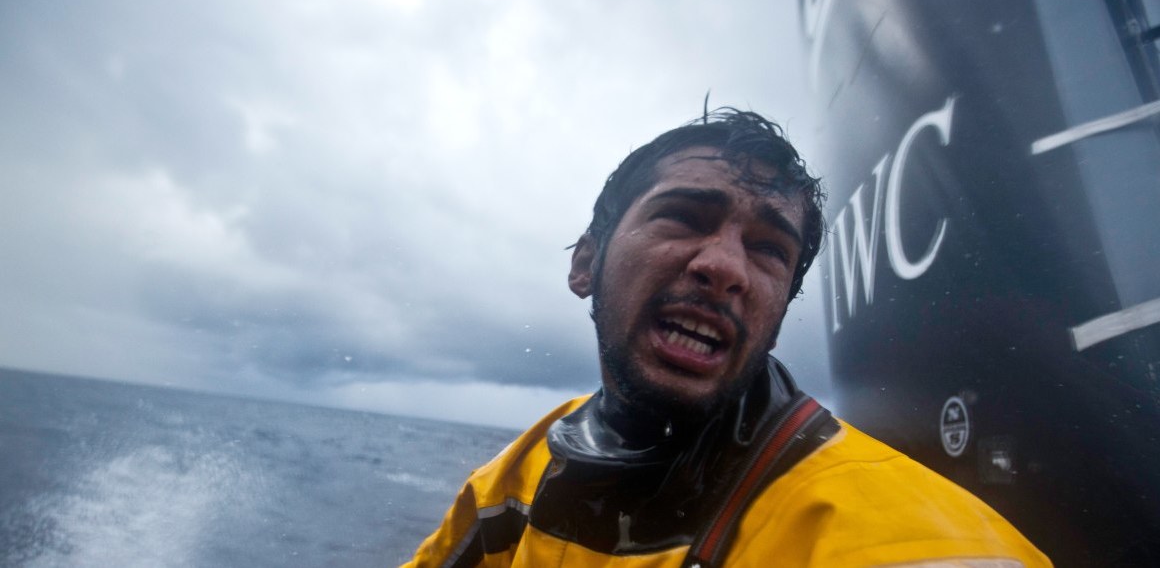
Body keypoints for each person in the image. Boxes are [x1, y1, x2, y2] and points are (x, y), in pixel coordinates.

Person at [404, 108, 1050, 567]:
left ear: (779, 311)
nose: (726, 267)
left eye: (769, 249)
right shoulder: (523, 474)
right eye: (685, 216)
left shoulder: (901, 536)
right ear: (585, 263)